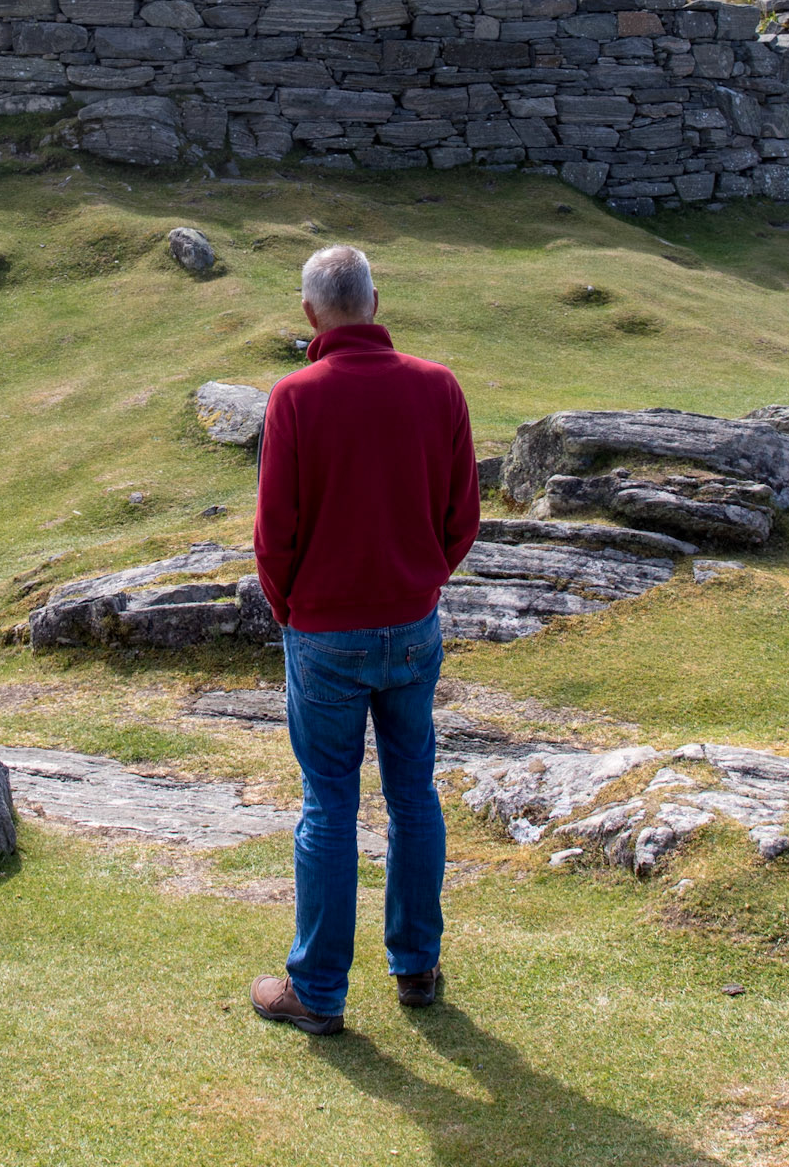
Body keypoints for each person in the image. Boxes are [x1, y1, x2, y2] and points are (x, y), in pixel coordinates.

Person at [249, 245, 480, 1036]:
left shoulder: (294, 397)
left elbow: (272, 532)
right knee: (413, 791)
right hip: (412, 626)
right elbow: (462, 516)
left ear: (311, 313)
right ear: (375, 302)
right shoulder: (436, 386)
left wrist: (291, 608)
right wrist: (419, 582)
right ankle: (415, 965)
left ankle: (316, 990)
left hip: (322, 631)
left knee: (329, 804)